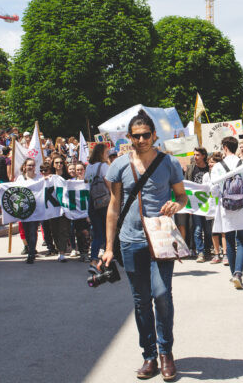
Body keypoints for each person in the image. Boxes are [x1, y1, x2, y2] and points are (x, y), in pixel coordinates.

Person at [103, 109, 187, 381]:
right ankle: (149, 355)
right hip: (130, 240)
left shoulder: (169, 163)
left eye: (146, 135)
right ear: (129, 137)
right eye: (136, 136)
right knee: (140, 302)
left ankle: (166, 353)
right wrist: (108, 247)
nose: (141, 140)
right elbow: (114, 207)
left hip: (161, 239)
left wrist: (177, 204)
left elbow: (182, 197)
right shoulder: (118, 166)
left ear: (154, 135)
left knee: (161, 295)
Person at [209, 136, 243, 289]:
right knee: (242, 240)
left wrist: (221, 195)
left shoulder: (218, 166)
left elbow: (214, 190)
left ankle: (234, 274)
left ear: (225, 147)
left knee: (230, 240)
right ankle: (238, 273)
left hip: (226, 207)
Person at [85, 143, 110, 272]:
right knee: (107, 233)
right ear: (101, 153)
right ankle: (106, 262)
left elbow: (86, 182)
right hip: (104, 203)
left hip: (92, 202)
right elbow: (108, 183)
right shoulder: (104, 166)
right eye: (106, 152)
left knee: (97, 234)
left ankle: (93, 260)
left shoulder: (89, 167)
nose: (108, 155)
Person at [185, 147, 211, 263]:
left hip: (208, 203)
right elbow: (186, 185)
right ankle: (200, 252)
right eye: (194, 155)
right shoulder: (190, 169)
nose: (195, 157)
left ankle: (207, 250)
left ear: (204, 156)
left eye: (198, 155)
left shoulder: (209, 168)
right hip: (195, 204)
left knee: (208, 229)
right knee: (197, 228)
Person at [16, 158, 43, 264]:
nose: (31, 167)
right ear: (24, 166)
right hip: (24, 209)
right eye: (29, 165)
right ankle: (29, 247)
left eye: (33, 165)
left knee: (33, 230)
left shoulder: (39, 178)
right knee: (27, 231)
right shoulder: (20, 179)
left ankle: (31, 252)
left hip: (35, 209)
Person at [203, 152, 226, 264]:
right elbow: (203, 190)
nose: (210, 164)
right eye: (209, 162)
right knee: (214, 231)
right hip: (211, 206)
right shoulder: (206, 176)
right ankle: (216, 254)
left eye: (212, 162)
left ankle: (225, 254)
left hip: (222, 205)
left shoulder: (223, 174)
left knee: (223, 230)